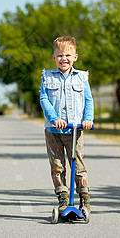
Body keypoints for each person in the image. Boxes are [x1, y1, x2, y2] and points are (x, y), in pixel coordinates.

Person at [39, 36, 94, 215]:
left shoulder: (82, 77)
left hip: (75, 130)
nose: (64, 58)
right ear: (54, 57)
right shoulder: (47, 77)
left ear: (75, 57)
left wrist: (88, 119)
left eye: (68, 55)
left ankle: (84, 199)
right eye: (60, 55)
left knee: (78, 165)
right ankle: (63, 199)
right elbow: (44, 99)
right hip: (53, 130)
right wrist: (55, 118)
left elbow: (88, 100)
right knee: (57, 165)